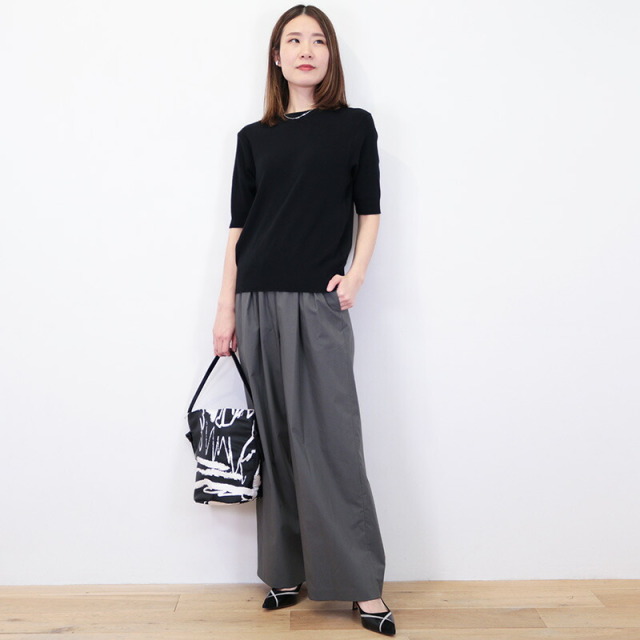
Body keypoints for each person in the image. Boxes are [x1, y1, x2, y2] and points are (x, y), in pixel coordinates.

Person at [212, 5, 396, 636]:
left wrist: (357, 273)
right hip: (256, 299)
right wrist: (225, 307)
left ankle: (362, 585)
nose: (306, 50)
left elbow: (370, 209)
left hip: (319, 300)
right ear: (277, 56)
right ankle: (285, 572)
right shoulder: (253, 138)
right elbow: (238, 230)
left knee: (331, 443)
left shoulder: (354, 126)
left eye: (318, 40)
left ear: (330, 55)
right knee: (276, 441)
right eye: (293, 40)